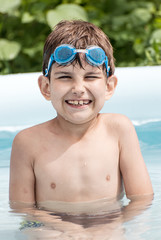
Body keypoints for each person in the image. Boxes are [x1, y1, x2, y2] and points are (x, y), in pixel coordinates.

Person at [9, 20, 153, 208]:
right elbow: (23, 211)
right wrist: (64, 231)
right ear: (46, 87)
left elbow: (142, 200)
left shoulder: (119, 130)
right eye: (65, 77)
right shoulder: (27, 143)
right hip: (53, 229)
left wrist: (112, 226)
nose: (78, 89)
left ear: (109, 87)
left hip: (108, 226)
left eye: (91, 77)